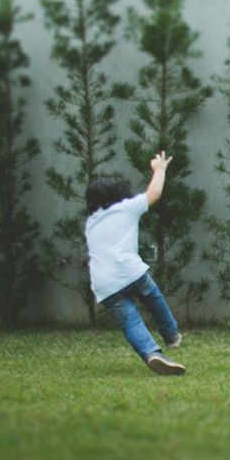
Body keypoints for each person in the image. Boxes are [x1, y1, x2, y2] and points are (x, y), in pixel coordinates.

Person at [85, 151, 186, 376]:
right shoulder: (126, 208)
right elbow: (154, 192)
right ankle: (171, 334)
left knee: (130, 322)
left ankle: (152, 354)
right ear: (121, 195)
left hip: (105, 284)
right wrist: (159, 169)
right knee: (153, 296)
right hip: (130, 272)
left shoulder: (91, 221)